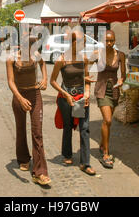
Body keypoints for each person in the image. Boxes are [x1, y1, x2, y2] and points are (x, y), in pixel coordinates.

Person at [6, 36, 51, 186]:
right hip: (19, 96)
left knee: (37, 132)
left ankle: (40, 172)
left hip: (35, 94)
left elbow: (43, 65)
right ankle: (23, 158)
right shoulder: (11, 58)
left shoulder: (36, 55)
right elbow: (10, 82)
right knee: (20, 128)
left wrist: (45, 79)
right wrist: (19, 98)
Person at [50, 30, 95, 176]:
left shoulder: (84, 59)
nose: (84, 45)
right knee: (68, 126)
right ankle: (67, 155)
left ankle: (85, 163)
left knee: (85, 128)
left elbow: (87, 78)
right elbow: (53, 81)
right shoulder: (62, 59)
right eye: (81, 42)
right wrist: (65, 94)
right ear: (72, 42)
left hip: (81, 96)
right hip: (66, 97)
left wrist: (87, 92)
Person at [92, 30, 126, 169]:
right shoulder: (98, 53)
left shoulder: (121, 55)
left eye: (111, 40)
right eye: (106, 40)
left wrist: (122, 80)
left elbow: (123, 73)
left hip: (114, 90)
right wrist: (86, 80)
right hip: (101, 89)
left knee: (108, 123)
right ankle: (105, 153)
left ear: (115, 40)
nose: (109, 43)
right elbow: (83, 64)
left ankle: (102, 144)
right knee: (107, 120)